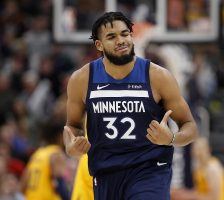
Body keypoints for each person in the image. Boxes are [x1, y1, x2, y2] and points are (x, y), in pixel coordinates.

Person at [63, 11, 198, 200]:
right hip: (106, 173)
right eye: (111, 36)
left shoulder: (158, 76)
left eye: (125, 34)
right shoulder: (81, 79)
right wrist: (71, 146)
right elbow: (72, 126)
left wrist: (172, 138)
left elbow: (190, 126)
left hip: (149, 170)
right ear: (99, 45)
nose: (121, 40)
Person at [21, 120, 69, 200]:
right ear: (60, 136)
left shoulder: (37, 153)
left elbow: (23, 184)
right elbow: (59, 181)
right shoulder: (56, 153)